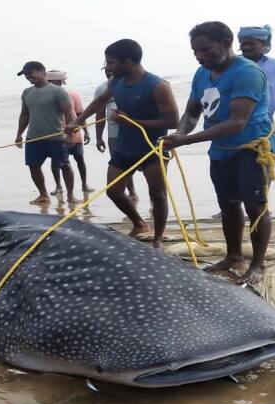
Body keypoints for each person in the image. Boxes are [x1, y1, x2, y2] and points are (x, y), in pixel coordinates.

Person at [162, 21, 275, 284]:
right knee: (227, 204)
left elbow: (237, 122)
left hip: (252, 148)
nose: (201, 56)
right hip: (221, 149)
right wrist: (180, 132)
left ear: (227, 44)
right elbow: (192, 112)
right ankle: (234, 256)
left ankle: (258, 264)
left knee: (256, 207)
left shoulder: (247, 73)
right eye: (195, 52)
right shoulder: (202, 74)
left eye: (206, 50)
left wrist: (187, 141)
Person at [67, 39, 179, 249]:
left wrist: (132, 121)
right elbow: (100, 101)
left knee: (158, 194)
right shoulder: (116, 81)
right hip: (125, 146)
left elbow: (173, 121)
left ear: (127, 61)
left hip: (152, 148)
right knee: (114, 191)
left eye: (111, 63)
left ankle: (158, 238)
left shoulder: (158, 86)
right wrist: (78, 121)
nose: (108, 68)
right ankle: (139, 223)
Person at [15, 61, 77, 204]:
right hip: (33, 137)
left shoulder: (58, 91)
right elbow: (24, 115)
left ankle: (70, 195)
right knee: (33, 166)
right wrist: (19, 134)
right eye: (25, 75)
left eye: (31, 73)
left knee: (64, 165)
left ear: (43, 72)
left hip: (55, 136)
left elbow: (70, 114)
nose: (28, 77)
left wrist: (71, 135)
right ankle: (43, 194)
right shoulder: (27, 92)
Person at [238, 25, 275, 143]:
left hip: (266, 124)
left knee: (266, 158)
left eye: (251, 44)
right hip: (236, 126)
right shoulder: (232, 66)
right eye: (243, 43)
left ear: (263, 45)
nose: (246, 47)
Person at [46, 70, 92, 194]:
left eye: (59, 83)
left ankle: (84, 184)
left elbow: (80, 114)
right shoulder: (46, 97)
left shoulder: (73, 95)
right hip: (56, 134)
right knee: (56, 161)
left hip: (74, 132)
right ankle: (58, 186)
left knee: (79, 158)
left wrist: (86, 132)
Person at [94, 67, 136, 199]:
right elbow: (99, 114)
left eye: (112, 68)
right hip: (114, 134)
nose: (109, 72)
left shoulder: (134, 84)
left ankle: (153, 198)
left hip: (136, 132)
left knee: (143, 166)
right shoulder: (101, 89)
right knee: (120, 165)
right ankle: (131, 192)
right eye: (106, 69)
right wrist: (99, 137)